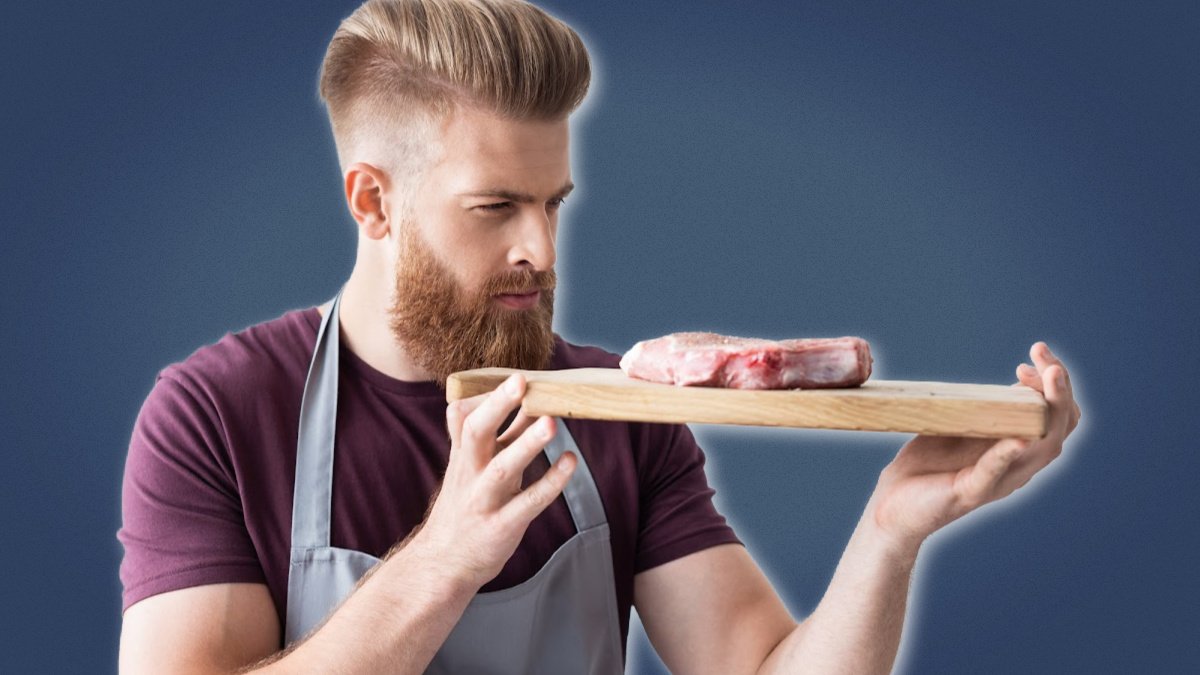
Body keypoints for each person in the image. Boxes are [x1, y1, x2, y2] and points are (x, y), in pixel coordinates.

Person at [116, 0, 1083, 672]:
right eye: (495, 207)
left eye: (552, 203)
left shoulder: (621, 410)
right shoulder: (215, 414)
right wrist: (445, 560)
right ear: (373, 201)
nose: (538, 247)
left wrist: (889, 534)